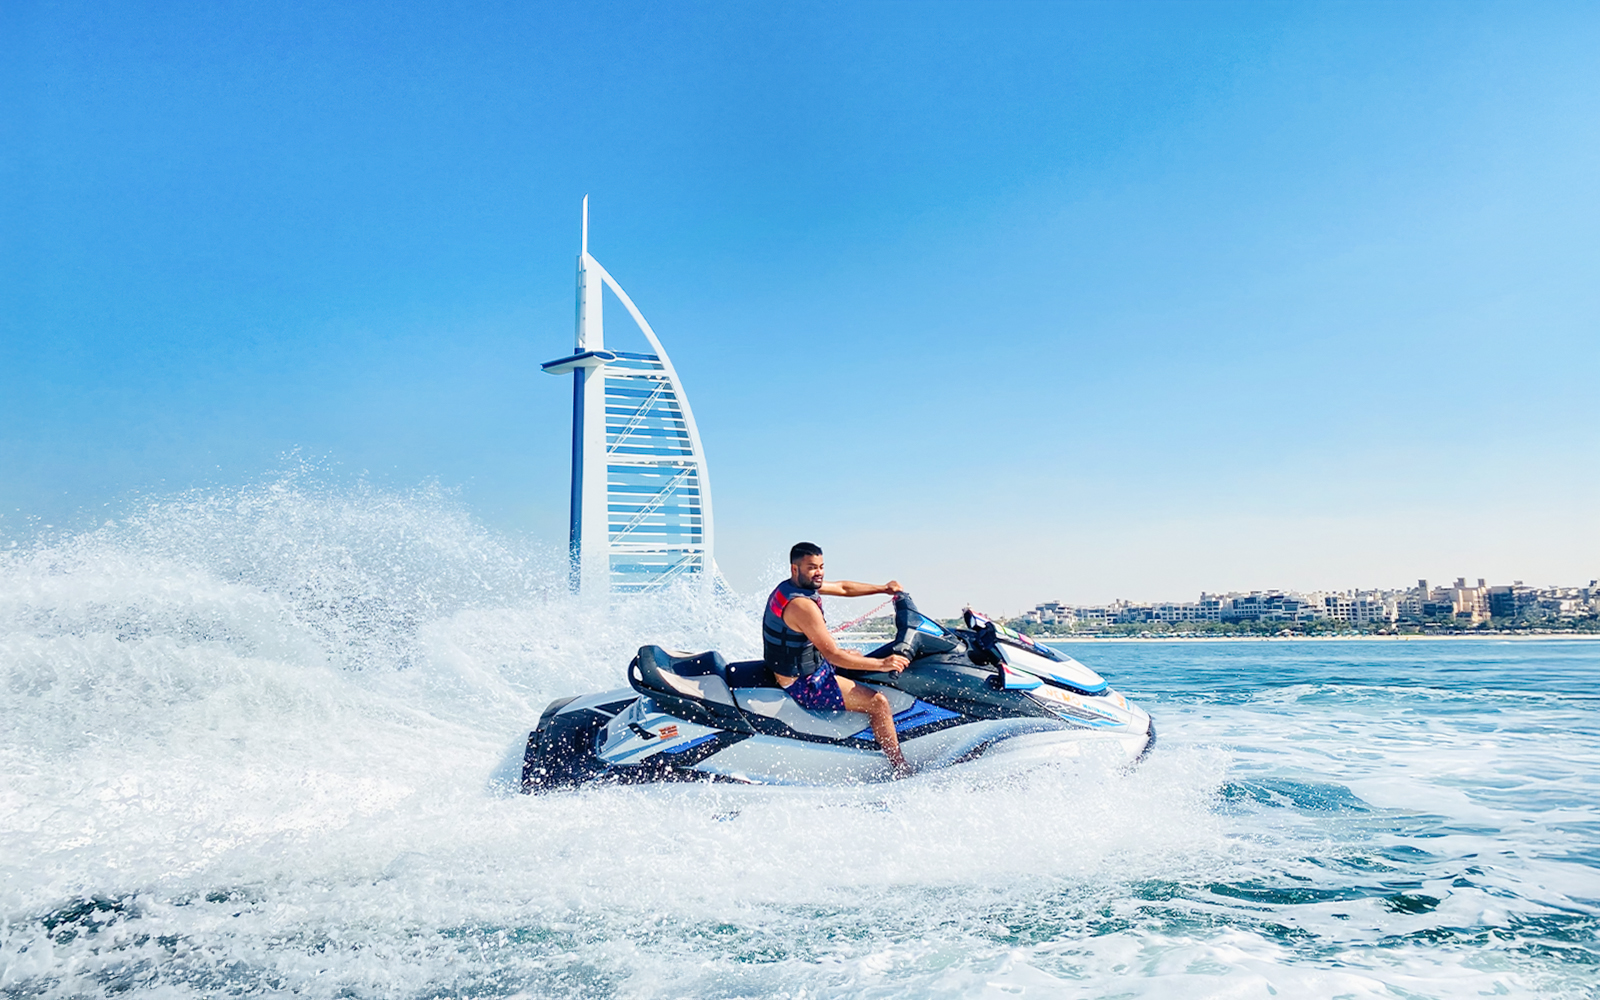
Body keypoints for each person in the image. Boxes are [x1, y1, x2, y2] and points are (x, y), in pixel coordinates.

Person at [763, 541, 912, 775]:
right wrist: (884, 664)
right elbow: (833, 654)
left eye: (821, 566)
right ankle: (900, 768)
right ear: (795, 569)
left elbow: (843, 588)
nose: (819, 572)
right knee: (878, 703)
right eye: (812, 567)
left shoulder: (792, 587)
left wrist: (883, 588)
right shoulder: (801, 605)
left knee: (854, 656)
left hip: (805, 666)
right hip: (801, 682)